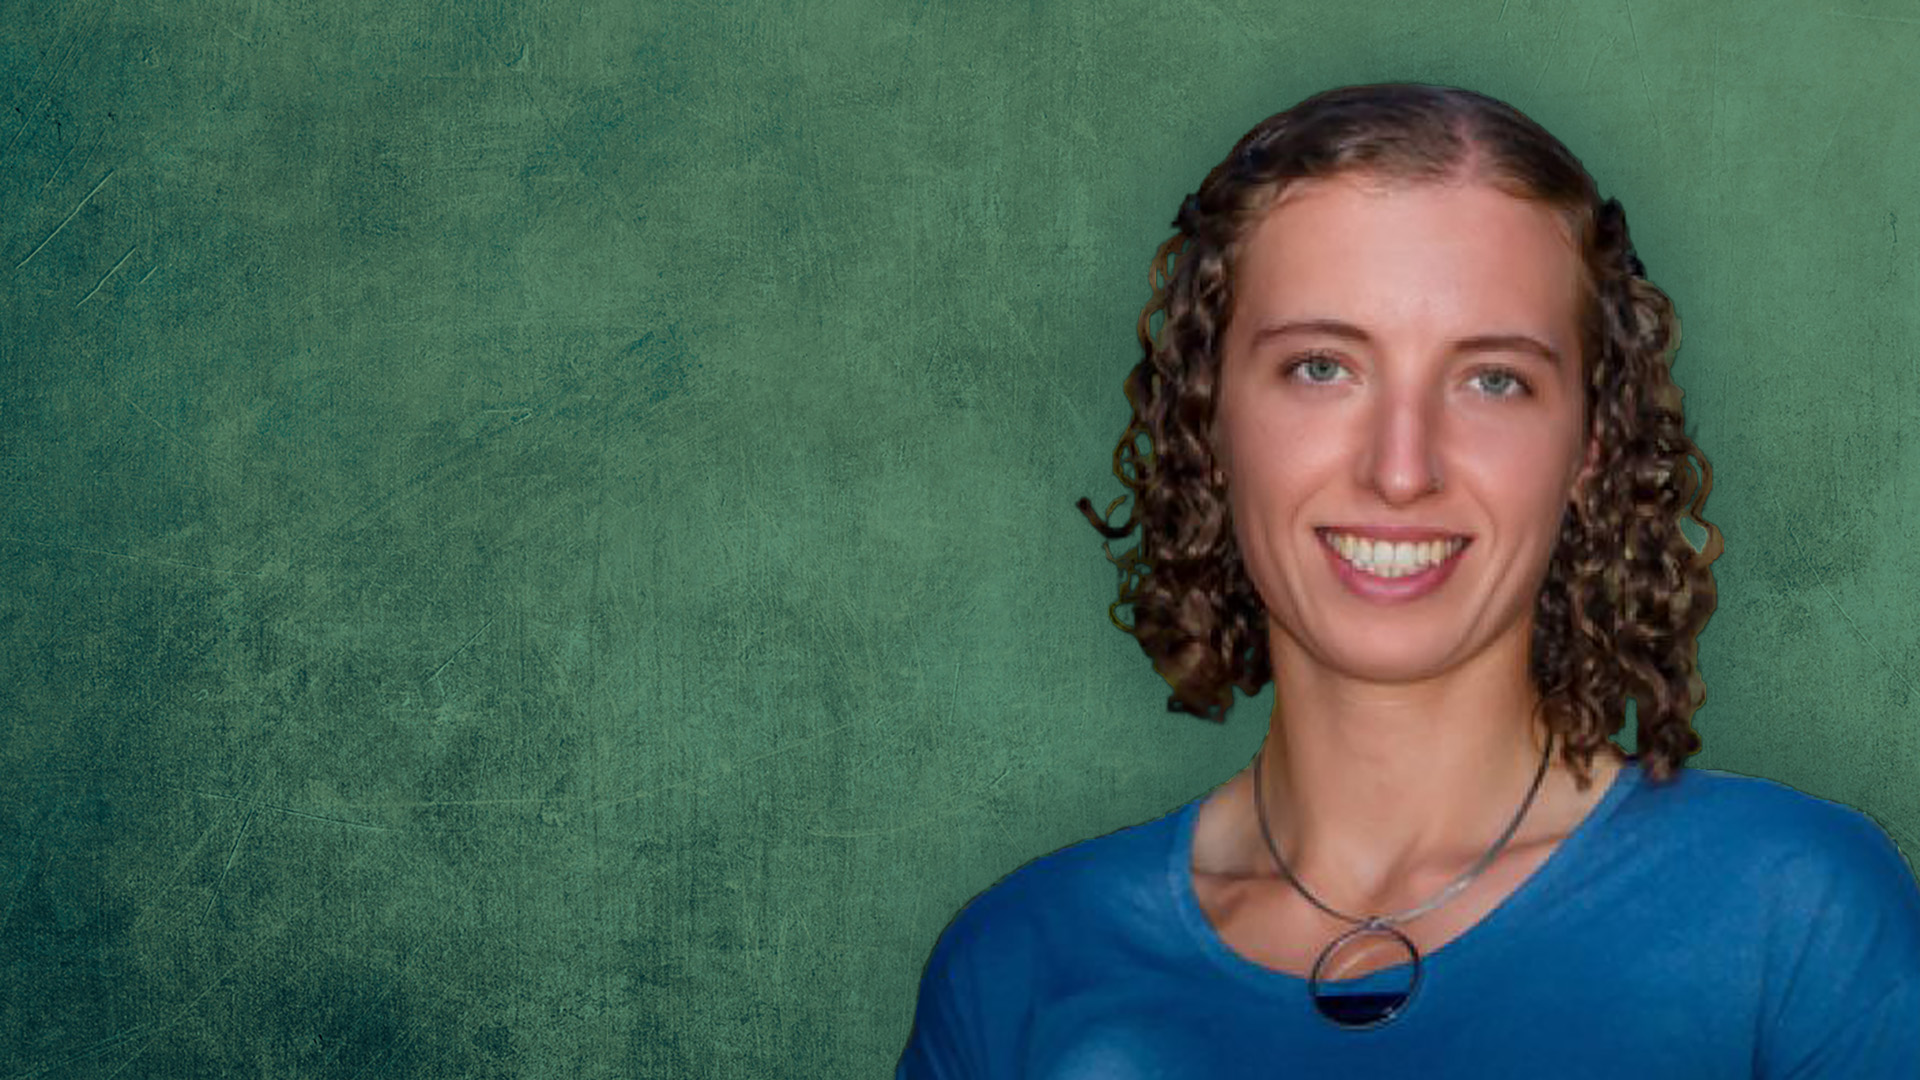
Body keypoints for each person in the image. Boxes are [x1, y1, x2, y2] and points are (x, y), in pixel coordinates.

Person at [895, 83, 1920, 1077]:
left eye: (1493, 380)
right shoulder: (1020, 964)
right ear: (1210, 421)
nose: (1401, 468)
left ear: (1591, 448)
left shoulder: (1796, 919)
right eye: (1321, 367)